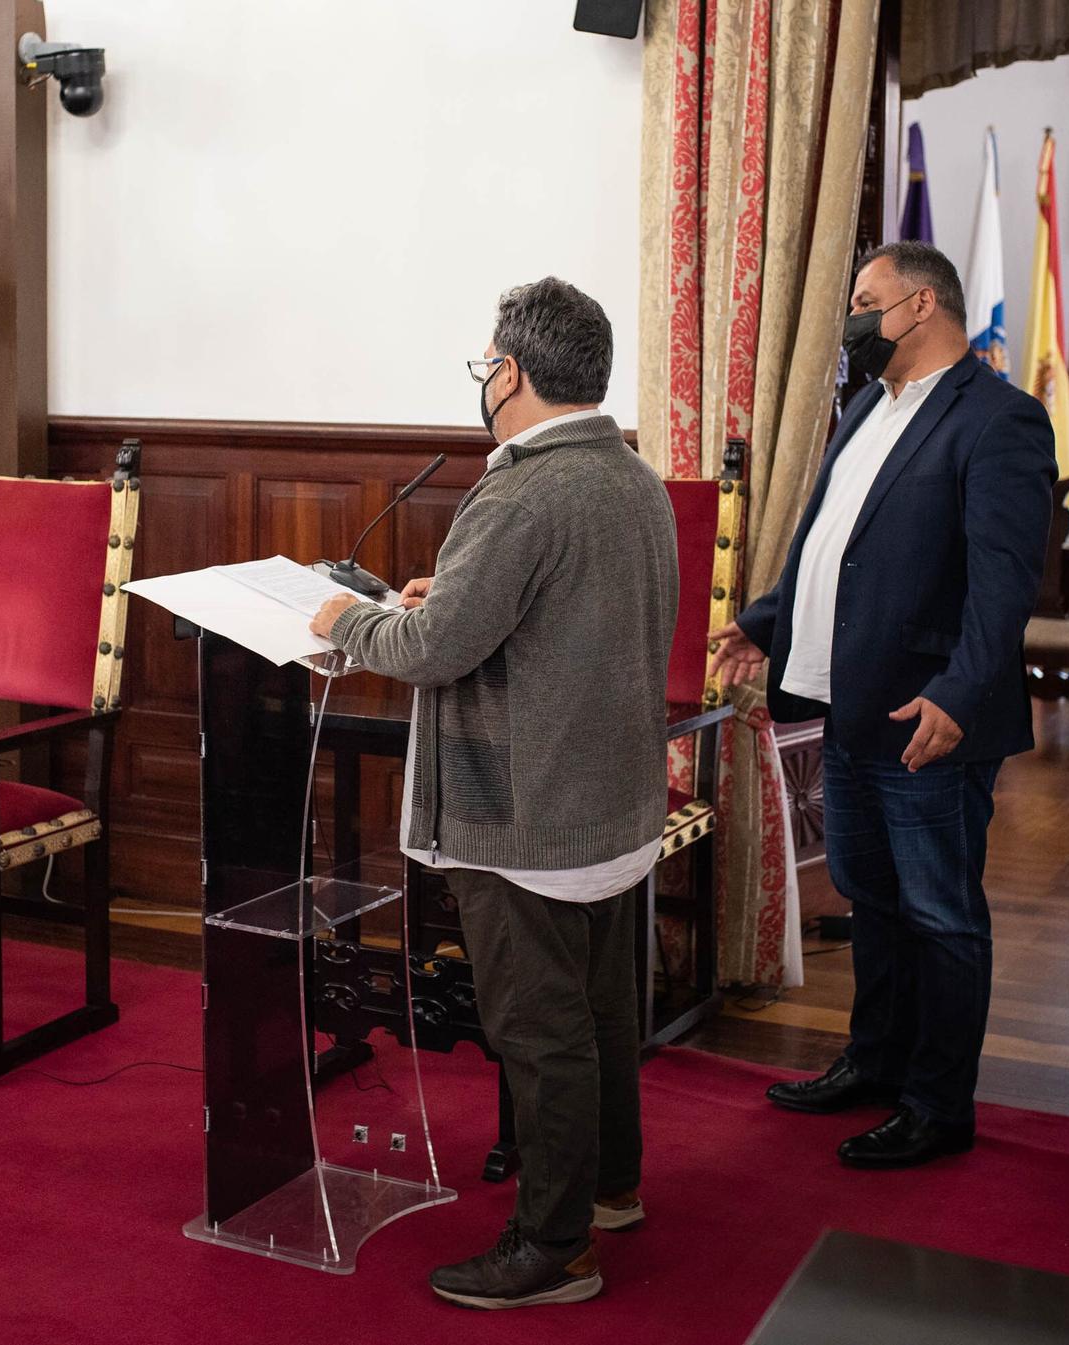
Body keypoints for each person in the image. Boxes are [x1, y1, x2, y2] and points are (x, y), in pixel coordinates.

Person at [309, 277, 677, 1310]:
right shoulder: (630, 475)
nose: (483, 377)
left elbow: (428, 650)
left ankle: (552, 1247)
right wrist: (448, 597)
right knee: (600, 1014)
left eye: (485, 362)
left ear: (508, 372)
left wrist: (345, 616)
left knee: (538, 1030)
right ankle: (608, 1188)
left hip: (525, 820)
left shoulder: (518, 491)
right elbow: (554, 620)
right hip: (608, 804)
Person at [712, 240, 1054, 1169]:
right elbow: (835, 540)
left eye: (866, 300)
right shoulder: (867, 406)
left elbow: (1003, 585)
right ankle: (875, 1062)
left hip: (928, 717)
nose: (853, 318)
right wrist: (767, 623)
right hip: (848, 702)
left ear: (920, 307)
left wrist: (957, 691)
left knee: (941, 912)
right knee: (874, 900)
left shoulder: (1001, 421)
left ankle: (940, 1103)